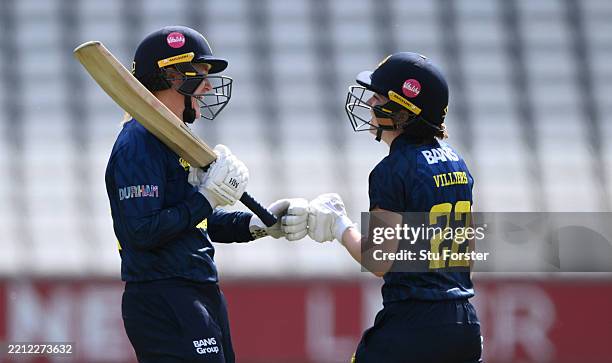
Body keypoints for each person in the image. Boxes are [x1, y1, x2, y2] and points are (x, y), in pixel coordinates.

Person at [105, 26, 308, 363]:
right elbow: (140, 232)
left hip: (196, 288)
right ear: (171, 76)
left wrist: (254, 224)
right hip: (164, 294)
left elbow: (195, 222)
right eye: (200, 74)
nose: (209, 85)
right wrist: (207, 197)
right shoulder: (138, 141)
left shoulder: (169, 140)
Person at [306, 53, 483, 363]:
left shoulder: (392, 169)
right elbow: (465, 255)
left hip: (413, 326)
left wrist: (340, 225)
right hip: (464, 324)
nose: (370, 103)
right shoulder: (457, 160)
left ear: (402, 111)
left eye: (378, 97)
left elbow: (378, 260)